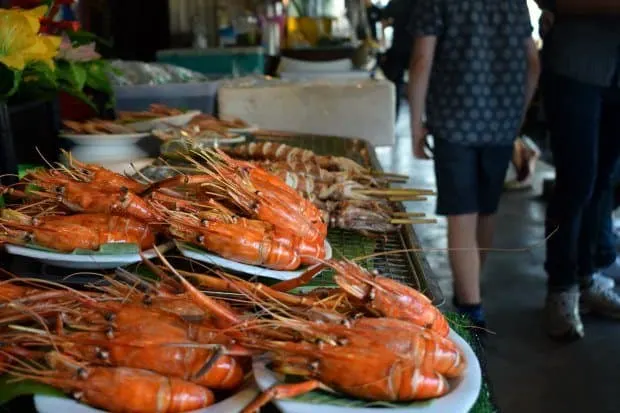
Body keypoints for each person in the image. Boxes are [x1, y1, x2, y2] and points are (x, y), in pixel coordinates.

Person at [409, 0, 540, 328]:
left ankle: (470, 308)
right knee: (486, 210)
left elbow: (422, 58)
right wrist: (519, 112)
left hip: (455, 122)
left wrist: (414, 125)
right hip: (501, 122)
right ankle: (473, 287)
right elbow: (533, 62)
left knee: (461, 216)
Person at [536, 0, 620, 340]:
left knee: (604, 181)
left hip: (615, 74)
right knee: (577, 181)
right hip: (575, 67)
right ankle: (561, 287)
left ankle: (588, 276)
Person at [380, 0, 416, 119]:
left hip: (399, 48)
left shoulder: (396, 2)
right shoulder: (422, 3)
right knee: (418, 84)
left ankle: (393, 117)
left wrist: (384, 39)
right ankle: (417, 118)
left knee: (396, 86)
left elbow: (384, 22)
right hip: (415, 48)